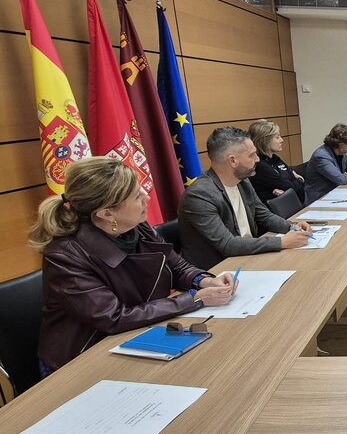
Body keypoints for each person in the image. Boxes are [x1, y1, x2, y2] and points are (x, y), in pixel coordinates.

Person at [28, 157, 236, 373]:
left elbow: (175, 266)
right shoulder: (65, 255)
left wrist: (204, 280)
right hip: (83, 359)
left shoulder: (137, 226)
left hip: (138, 335)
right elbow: (114, 317)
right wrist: (193, 298)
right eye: (137, 196)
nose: (147, 197)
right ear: (107, 213)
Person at [179, 126, 311, 269]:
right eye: (252, 155)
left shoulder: (243, 182)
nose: (257, 159)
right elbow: (228, 245)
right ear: (233, 161)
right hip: (219, 271)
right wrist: (282, 242)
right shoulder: (199, 195)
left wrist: (292, 227)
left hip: (247, 257)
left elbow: (265, 216)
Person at [304, 123, 347, 205]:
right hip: (319, 198)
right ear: (339, 143)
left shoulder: (340, 152)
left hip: (334, 193)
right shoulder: (321, 156)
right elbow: (340, 179)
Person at [247, 119, 305, 204]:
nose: (281, 140)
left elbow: (293, 187)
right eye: (277, 137)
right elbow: (291, 186)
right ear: (265, 141)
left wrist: (293, 184)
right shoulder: (260, 166)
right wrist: (300, 180)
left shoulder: (274, 158)